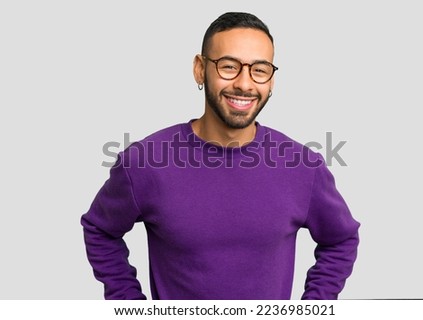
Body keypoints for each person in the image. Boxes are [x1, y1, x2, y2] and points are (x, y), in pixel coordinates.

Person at [81, 12, 360, 300]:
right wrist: (132, 307)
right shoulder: (144, 162)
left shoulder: (303, 168)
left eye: (260, 70)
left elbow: (341, 239)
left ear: (272, 81)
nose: (244, 83)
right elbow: (99, 230)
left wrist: (313, 308)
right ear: (200, 69)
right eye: (229, 66)